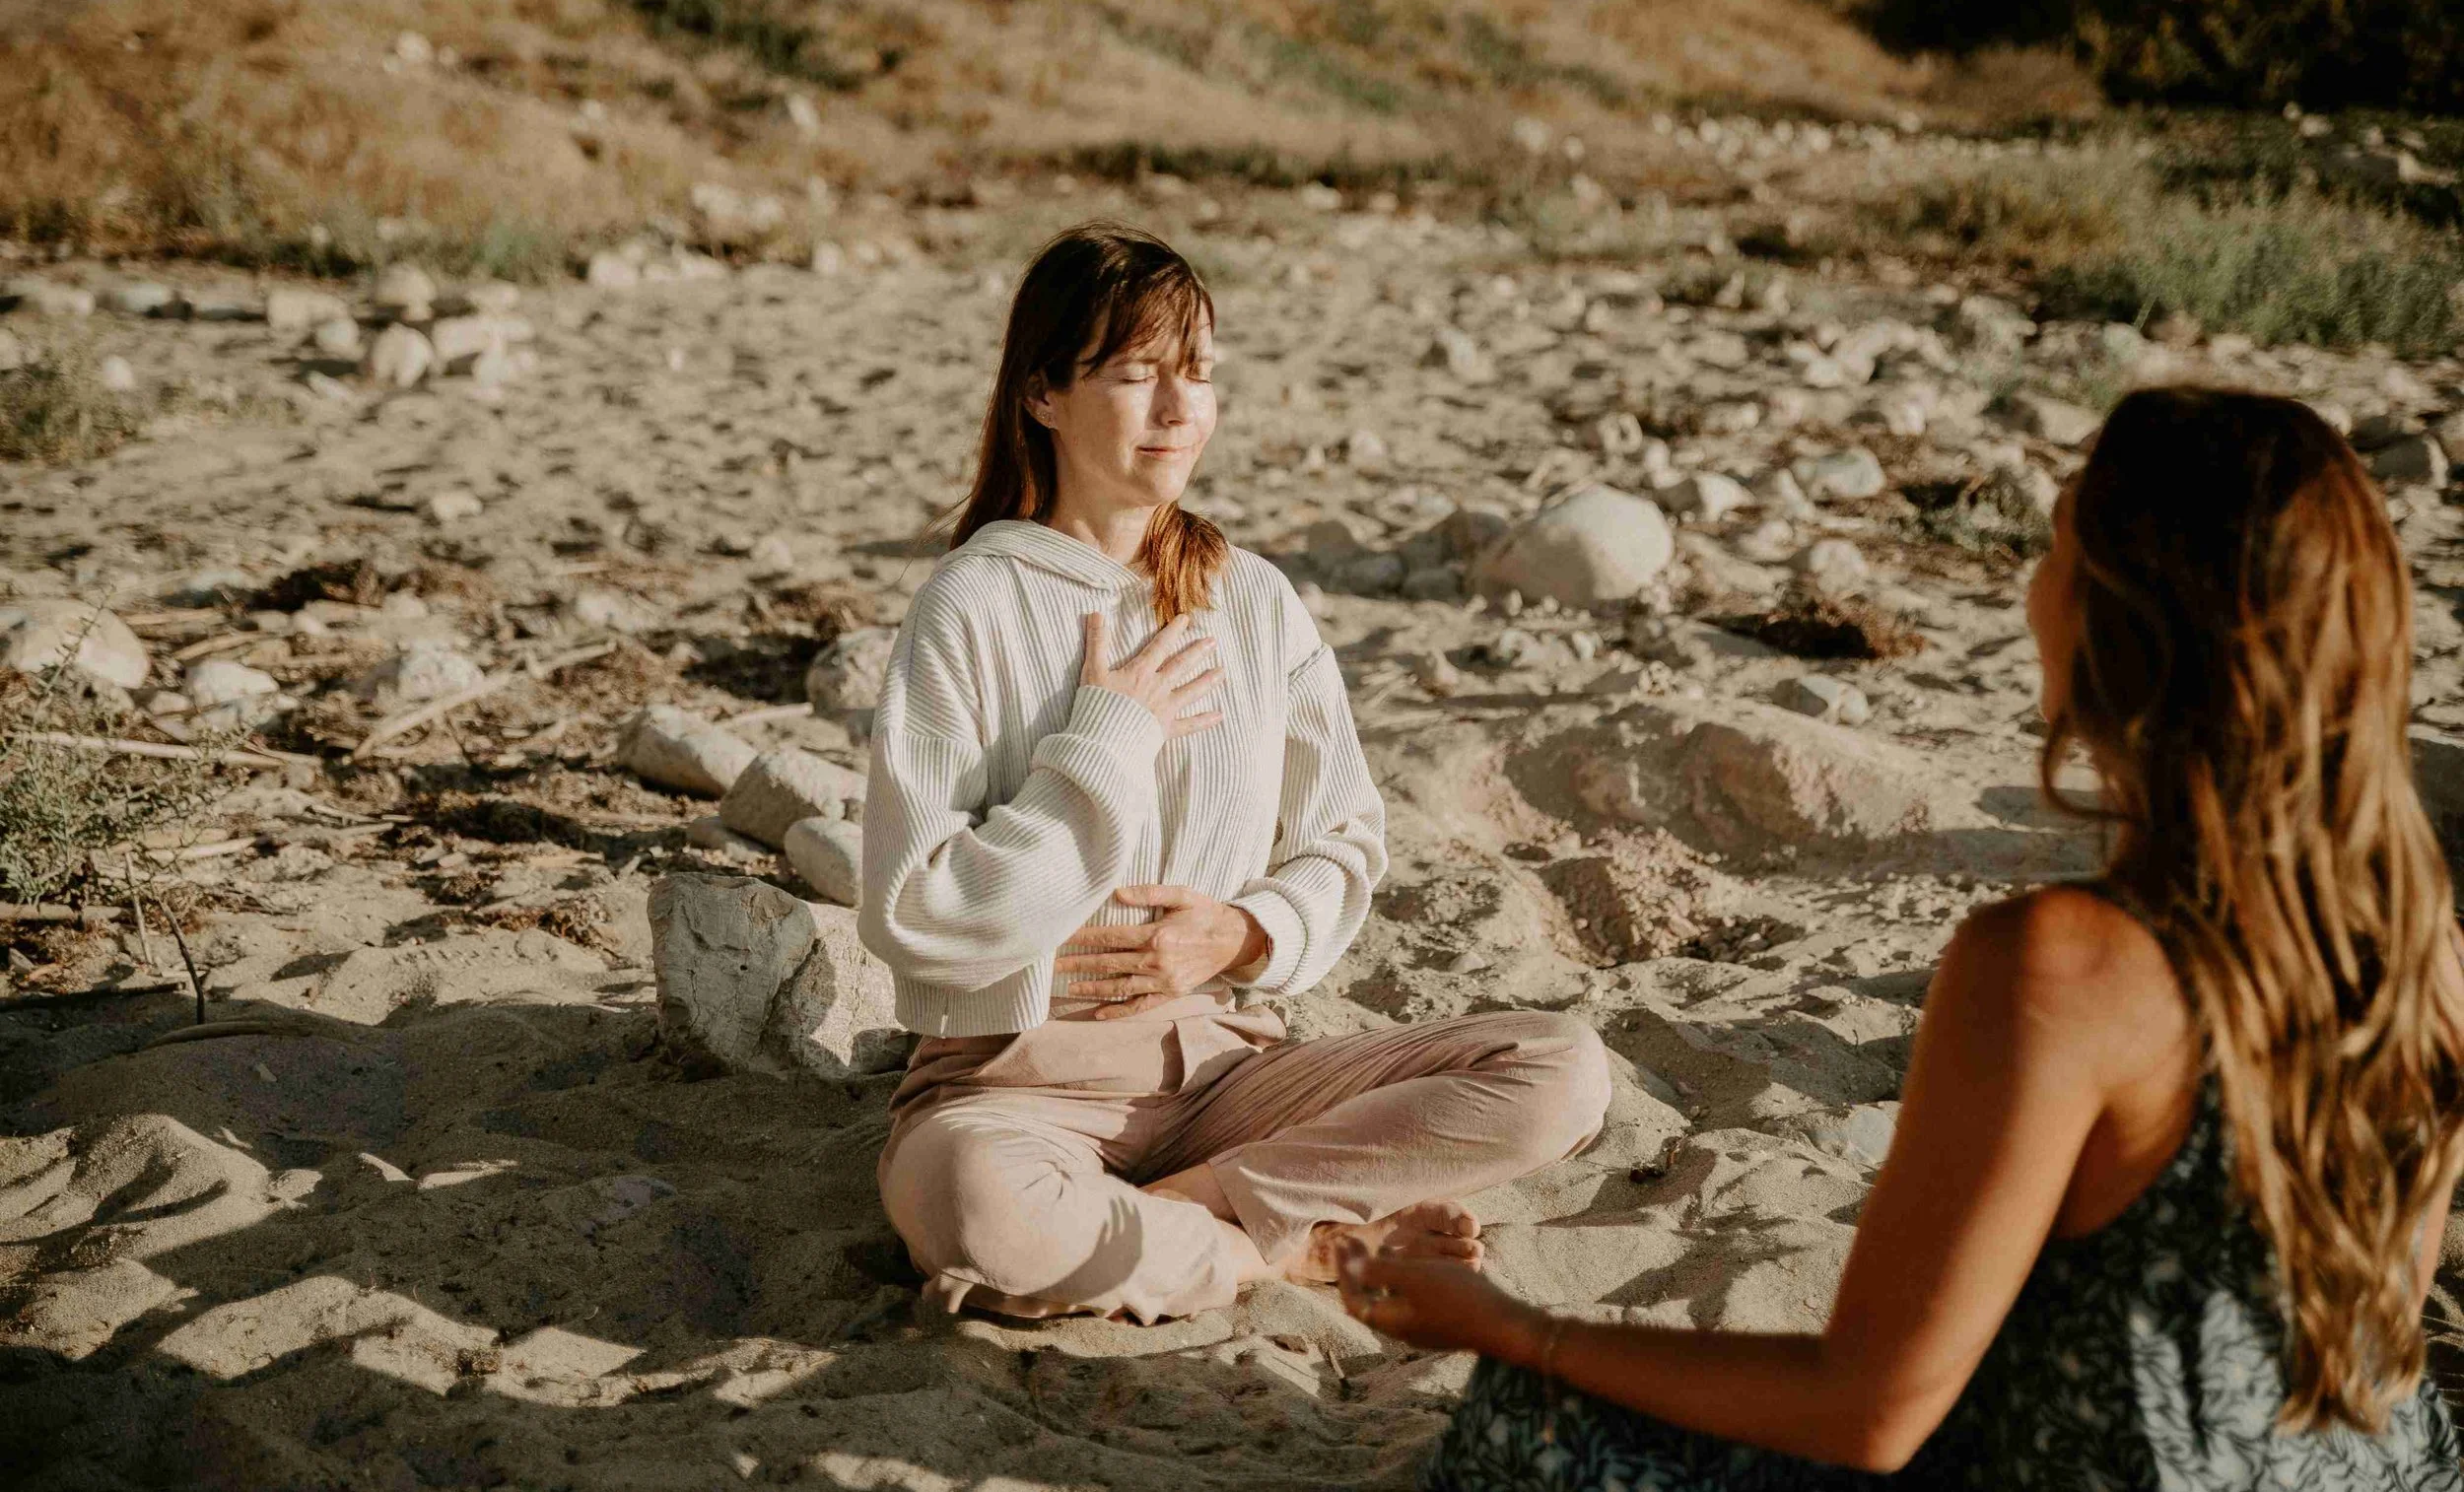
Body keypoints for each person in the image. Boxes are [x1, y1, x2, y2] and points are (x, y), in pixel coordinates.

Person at [1341, 386, 2464, 1488]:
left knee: (1527, 1426)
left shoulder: (2059, 962)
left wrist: (1514, 1329)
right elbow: (2371, 1322)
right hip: (2369, 1465)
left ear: (2128, 620)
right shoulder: (2422, 944)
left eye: (2060, 547)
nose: (2034, 587)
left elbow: (1869, 1409)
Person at [858, 221, 1612, 1324]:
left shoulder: (1251, 599)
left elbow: (1345, 835)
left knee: (1561, 1068)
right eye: (1135, 375)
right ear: (1041, 396)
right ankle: (1286, 1249)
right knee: (980, 1211)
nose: (1179, 410)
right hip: (1008, 1086)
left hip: (1226, 1077)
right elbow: (913, 910)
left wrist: (1244, 933)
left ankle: (1200, 1213)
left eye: (1199, 374)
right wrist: (1106, 740)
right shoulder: (970, 603)